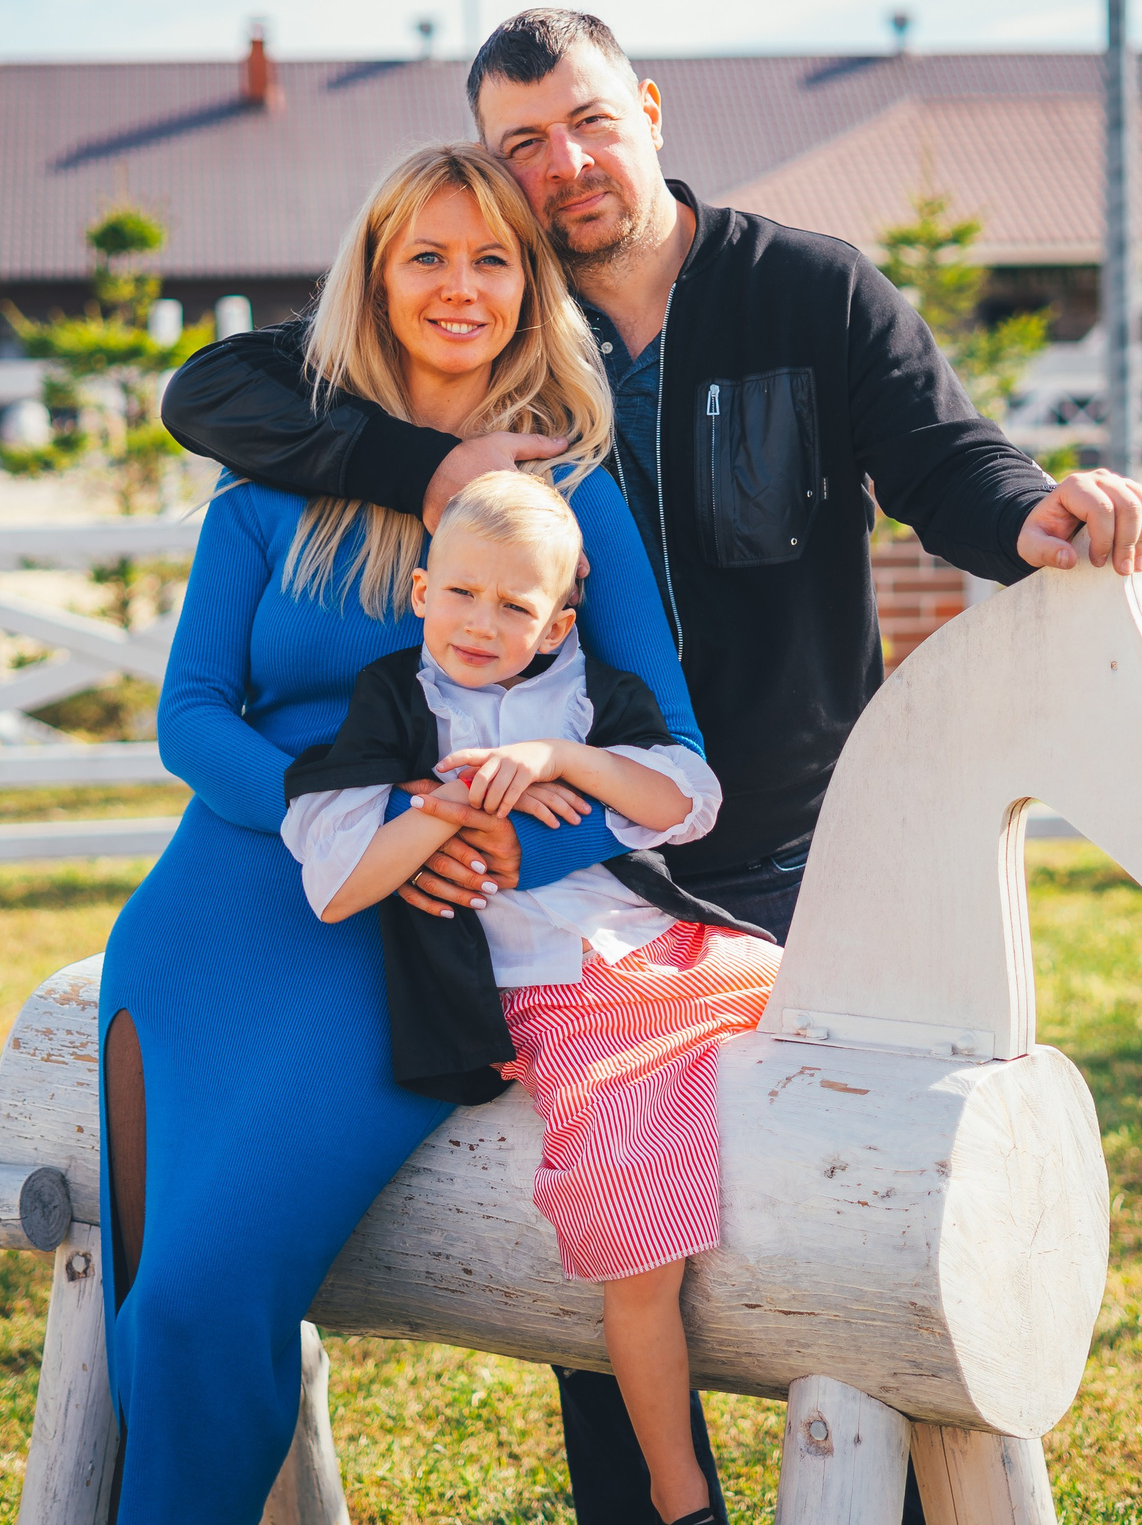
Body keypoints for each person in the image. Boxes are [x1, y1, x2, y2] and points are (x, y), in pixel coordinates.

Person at [162, 7, 1142, 1523]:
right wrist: (427, 467)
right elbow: (218, 392)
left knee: (846, 1206)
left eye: (585, 122)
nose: (561, 165)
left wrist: (1035, 516)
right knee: (616, 1242)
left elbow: (942, 452)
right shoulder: (506, 321)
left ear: (644, 106)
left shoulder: (807, 292)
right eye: (521, 147)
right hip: (557, 862)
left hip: (776, 843)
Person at [97, 142, 724, 1525]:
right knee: (142, 1306)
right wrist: (342, 811)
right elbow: (192, 715)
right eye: (425, 255)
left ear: (530, 284)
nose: (459, 286)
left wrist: (498, 848)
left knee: (205, 1294)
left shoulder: (572, 496)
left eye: (493, 256)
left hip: (415, 932)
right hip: (219, 900)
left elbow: (660, 747)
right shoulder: (277, 472)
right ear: (374, 279)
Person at [284, 470, 778, 1525]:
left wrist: (563, 759)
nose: (481, 621)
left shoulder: (595, 693)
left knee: (837, 1002)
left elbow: (687, 801)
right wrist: (452, 803)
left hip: (672, 952)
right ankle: (679, 1488)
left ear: (556, 621)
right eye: (461, 593)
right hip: (549, 998)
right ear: (420, 591)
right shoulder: (393, 704)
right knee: (629, 1221)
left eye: (516, 606)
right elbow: (336, 883)